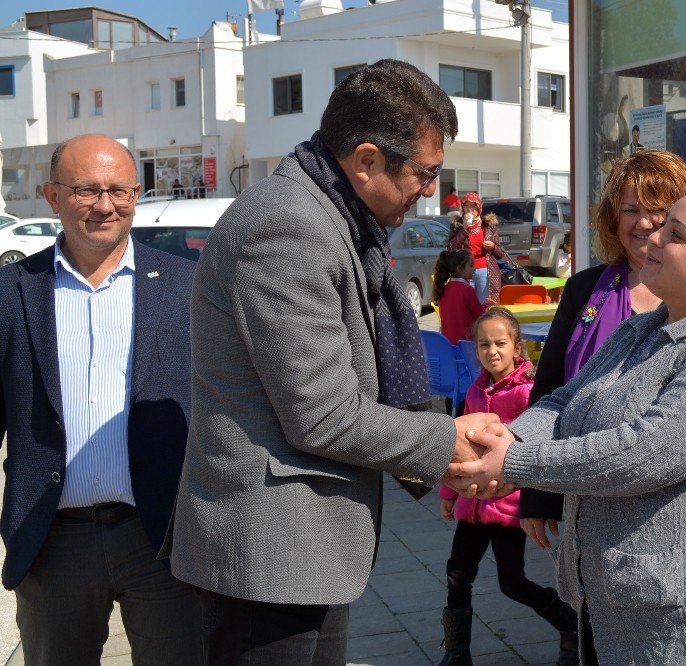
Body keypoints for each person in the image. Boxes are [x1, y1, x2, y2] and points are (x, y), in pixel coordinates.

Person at [162, 59, 499, 665]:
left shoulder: (333, 216)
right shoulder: (289, 227)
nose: (431, 191)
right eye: (426, 173)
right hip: (270, 557)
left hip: (303, 552)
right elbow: (323, 415)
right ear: (367, 160)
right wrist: (445, 437)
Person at [453, 181, 686, 663]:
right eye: (662, 225)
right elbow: (568, 398)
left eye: (677, 234)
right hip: (632, 605)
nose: (655, 237)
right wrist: (512, 434)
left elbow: (646, 451)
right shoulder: (648, 325)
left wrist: (515, 460)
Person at [0, 133, 202, 664]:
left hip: (160, 538)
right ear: (52, 196)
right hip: (52, 543)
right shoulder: (11, 290)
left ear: (137, 194)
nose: (106, 206)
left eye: (120, 191)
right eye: (87, 190)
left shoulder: (186, 286)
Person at [519, 149, 686, 551]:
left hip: (673, 494)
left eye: (660, 210)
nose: (645, 223)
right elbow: (549, 390)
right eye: (632, 209)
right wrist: (537, 492)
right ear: (614, 217)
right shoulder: (585, 290)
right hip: (588, 492)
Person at [437, 307, 578, 666]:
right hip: (472, 507)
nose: (492, 351)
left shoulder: (527, 393)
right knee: (457, 575)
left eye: (500, 343)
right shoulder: (474, 389)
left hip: (507, 508)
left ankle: (569, 624)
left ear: (517, 347)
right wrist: (449, 494)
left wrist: (534, 499)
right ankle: (456, 653)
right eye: (484, 344)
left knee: (512, 583)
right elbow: (461, 451)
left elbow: (532, 448)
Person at [448, 191, 503, 303]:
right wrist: (464, 229)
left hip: (485, 270)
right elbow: (451, 247)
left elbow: (500, 252)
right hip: (464, 270)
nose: (469, 210)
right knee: (466, 303)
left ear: (479, 208)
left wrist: (492, 247)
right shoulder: (457, 225)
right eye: (466, 206)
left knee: (484, 304)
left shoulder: (488, 226)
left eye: (473, 207)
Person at [433, 248, 485, 345]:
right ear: (460, 268)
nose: (474, 269)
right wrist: (487, 305)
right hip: (466, 344)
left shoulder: (444, 288)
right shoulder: (467, 289)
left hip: (448, 345)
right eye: (471, 265)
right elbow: (480, 315)